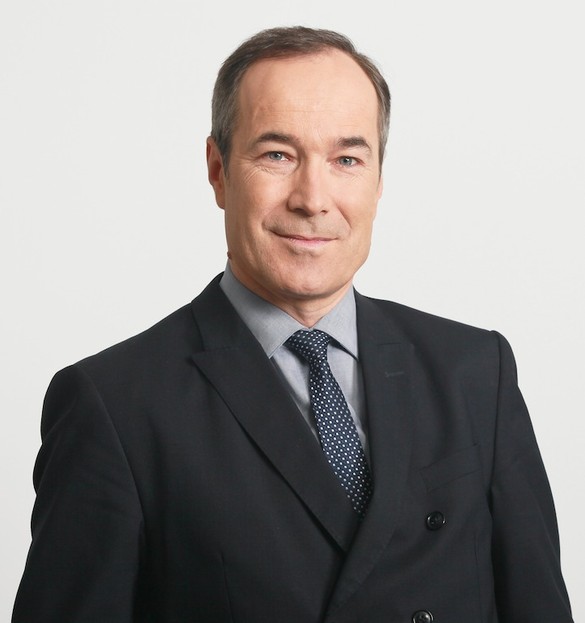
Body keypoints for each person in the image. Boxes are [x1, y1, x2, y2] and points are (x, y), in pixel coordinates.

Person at [13, 26, 573, 623]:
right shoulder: (115, 406)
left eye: (346, 160)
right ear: (218, 170)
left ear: (379, 181)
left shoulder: (475, 372)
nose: (312, 198)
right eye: (277, 155)